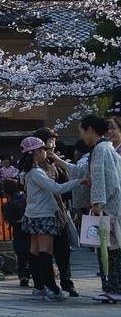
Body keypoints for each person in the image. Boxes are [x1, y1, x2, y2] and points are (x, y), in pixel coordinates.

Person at [18, 135, 84, 302]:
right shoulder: (36, 173)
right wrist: (79, 181)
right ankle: (52, 289)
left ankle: (39, 287)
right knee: (45, 252)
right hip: (43, 216)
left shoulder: (26, 173)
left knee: (34, 252)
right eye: (42, 150)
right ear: (35, 152)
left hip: (32, 215)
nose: (45, 153)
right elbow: (56, 188)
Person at [80, 114, 121, 303]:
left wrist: (97, 202)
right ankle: (113, 287)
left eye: (82, 131)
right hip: (114, 204)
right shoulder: (108, 147)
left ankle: (113, 288)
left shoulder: (100, 149)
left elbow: (100, 178)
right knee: (112, 249)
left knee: (110, 250)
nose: (81, 136)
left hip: (108, 208)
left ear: (89, 130)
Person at [35, 127, 78, 297]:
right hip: (45, 212)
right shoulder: (36, 165)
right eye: (49, 141)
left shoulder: (56, 161)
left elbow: (65, 187)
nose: (52, 144)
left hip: (59, 210)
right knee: (43, 250)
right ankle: (45, 284)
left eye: (53, 140)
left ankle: (67, 282)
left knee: (63, 248)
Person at [0, 179, 32, 287]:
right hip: (30, 228)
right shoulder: (26, 198)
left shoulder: (7, 205)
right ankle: (34, 274)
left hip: (17, 229)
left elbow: (8, 219)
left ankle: (23, 276)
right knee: (32, 252)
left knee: (21, 253)